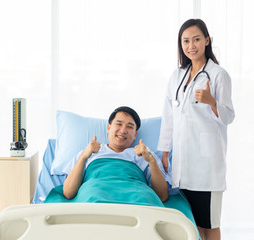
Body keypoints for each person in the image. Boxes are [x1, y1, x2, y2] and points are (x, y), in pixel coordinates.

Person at [157, 19, 235, 240]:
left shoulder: (218, 75)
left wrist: (211, 101)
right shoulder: (177, 76)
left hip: (207, 166)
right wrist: (164, 149)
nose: (191, 45)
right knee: (190, 225)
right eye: (186, 41)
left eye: (196, 39)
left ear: (207, 41)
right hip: (183, 162)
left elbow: (229, 116)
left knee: (209, 225)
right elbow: (169, 115)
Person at [59, 106, 169, 204]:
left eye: (130, 127)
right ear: (108, 128)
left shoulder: (145, 155)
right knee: (93, 196)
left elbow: (162, 196)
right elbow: (68, 193)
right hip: (95, 191)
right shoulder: (88, 152)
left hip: (137, 195)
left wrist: (152, 162)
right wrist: (83, 157)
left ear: (135, 134)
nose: (123, 130)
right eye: (119, 124)